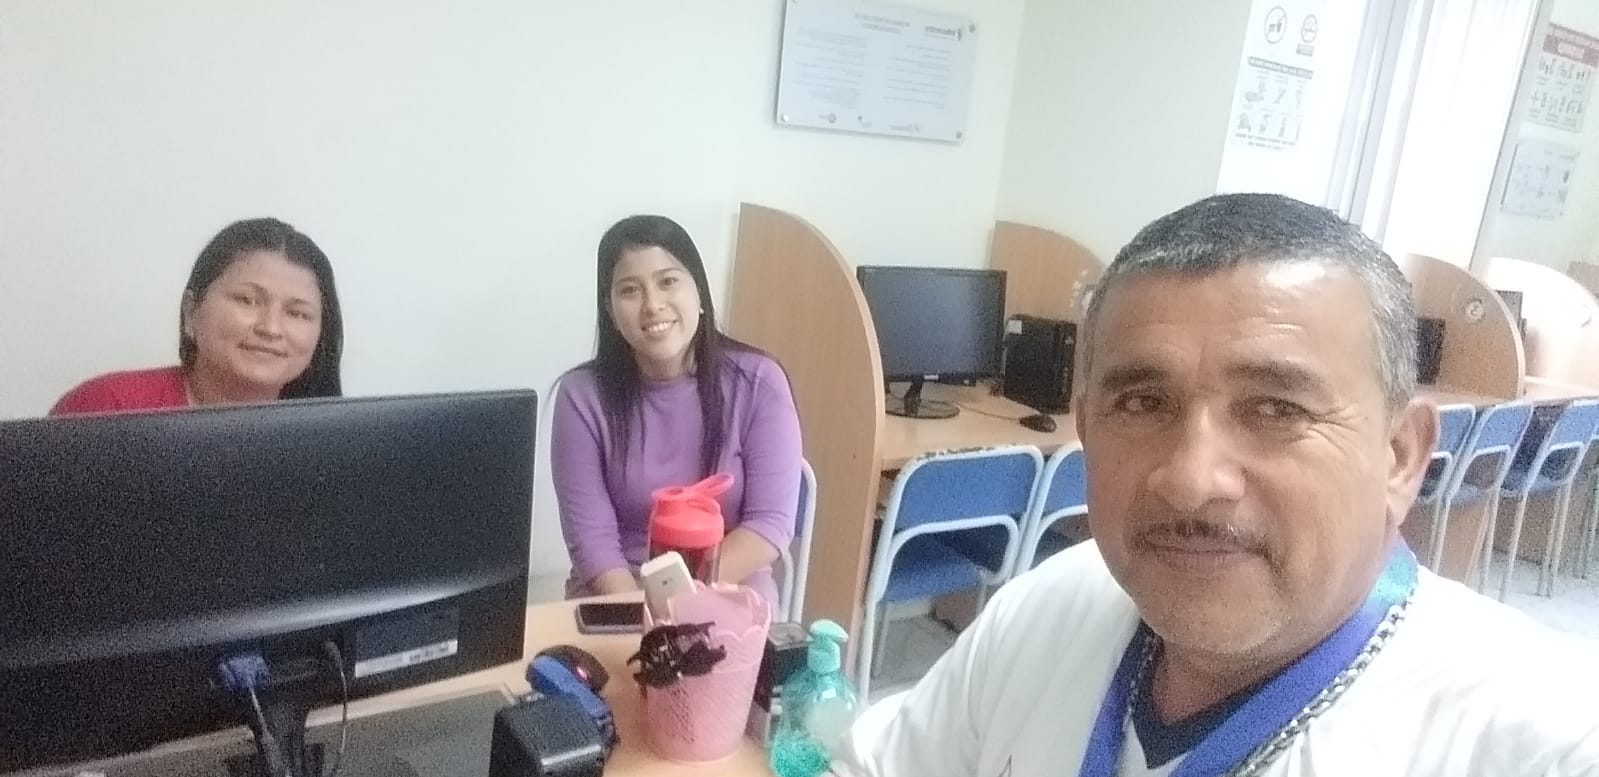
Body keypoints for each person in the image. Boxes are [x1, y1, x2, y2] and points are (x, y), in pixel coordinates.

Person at [835, 193, 1599, 776]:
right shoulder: (1051, 604)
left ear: (1399, 455)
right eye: (1142, 402)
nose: (1190, 480)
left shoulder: (1540, 741)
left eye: (1276, 408)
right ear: (1086, 426)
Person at [551, 214, 802, 606]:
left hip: (729, 589)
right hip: (616, 597)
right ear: (610, 310)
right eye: (630, 290)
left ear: (699, 291)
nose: (652, 305)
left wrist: (673, 602)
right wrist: (644, 614)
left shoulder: (759, 382)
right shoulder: (580, 396)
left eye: (668, 281)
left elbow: (769, 524)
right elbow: (592, 542)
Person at [51, 218, 343, 414]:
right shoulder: (109, 407)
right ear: (192, 312)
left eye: (297, 313)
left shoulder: (333, 439)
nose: (271, 328)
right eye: (248, 300)